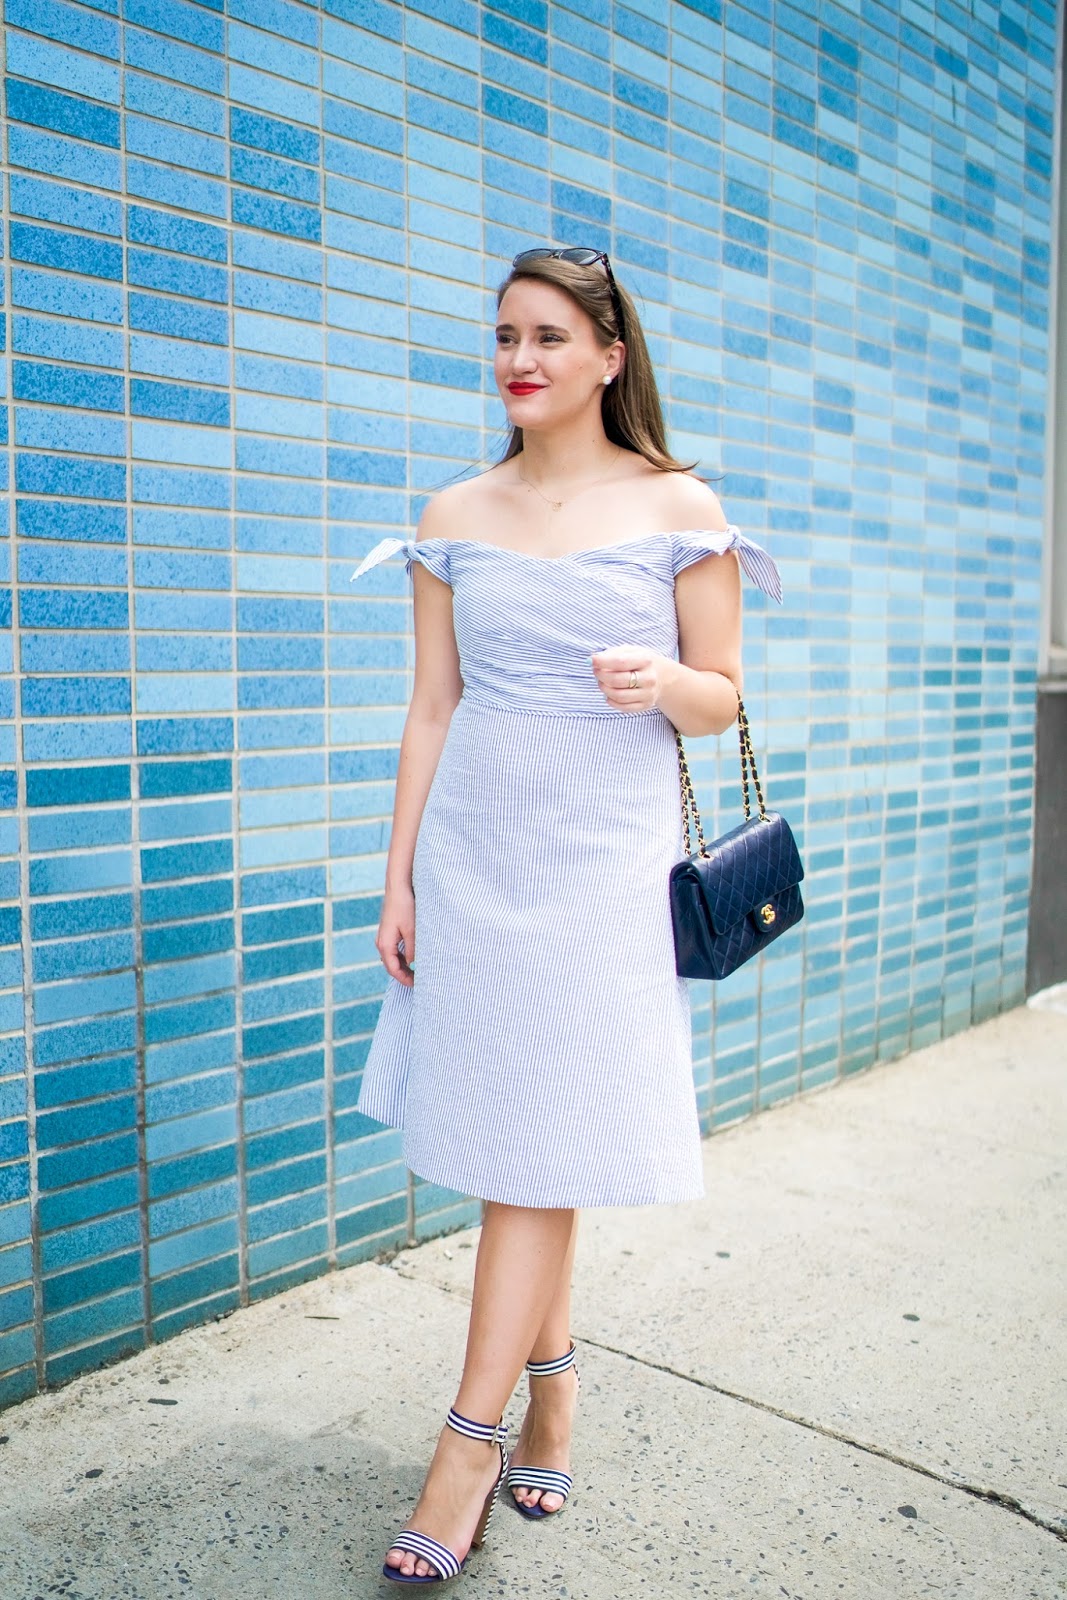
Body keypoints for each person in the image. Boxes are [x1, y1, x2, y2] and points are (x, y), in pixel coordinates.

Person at [350, 245, 782, 1585]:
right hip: (476, 854)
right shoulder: (455, 511)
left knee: (535, 1155)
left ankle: (467, 1444)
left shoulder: (677, 505)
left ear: (609, 356)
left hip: (604, 868)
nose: (519, 360)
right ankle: (554, 1390)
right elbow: (433, 705)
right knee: (526, 1146)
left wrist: (662, 679)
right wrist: (398, 874)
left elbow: (724, 696)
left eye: (547, 336)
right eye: (504, 336)